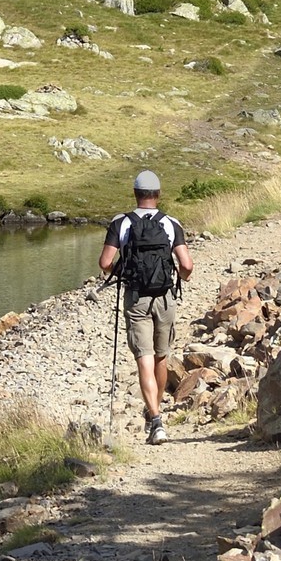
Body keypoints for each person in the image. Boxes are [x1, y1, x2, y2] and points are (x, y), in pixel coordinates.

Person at [99, 170, 193, 445]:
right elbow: (187, 266)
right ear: (158, 194)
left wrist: (122, 271)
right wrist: (179, 277)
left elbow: (105, 263)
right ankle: (157, 412)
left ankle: (155, 420)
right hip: (165, 297)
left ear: (135, 194)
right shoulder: (170, 223)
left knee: (144, 358)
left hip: (136, 297)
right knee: (162, 356)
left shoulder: (122, 223)